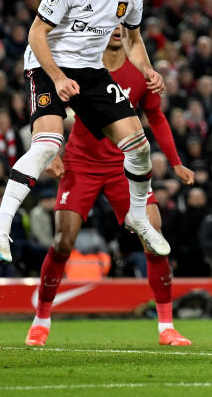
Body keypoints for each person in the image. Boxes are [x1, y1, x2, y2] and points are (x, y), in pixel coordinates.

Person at [0, 0, 169, 264]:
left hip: (89, 69)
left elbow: (133, 39)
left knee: (139, 146)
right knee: (48, 145)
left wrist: (147, 70)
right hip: (46, 62)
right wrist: (57, 77)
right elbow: (36, 34)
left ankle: (137, 216)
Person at [26, 28, 194, 347]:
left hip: (123, 166)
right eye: (110, 22)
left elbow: (156, 116)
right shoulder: (81, 64)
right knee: (63, 240)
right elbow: (49, 107)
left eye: (122, 23)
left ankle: (166, 327)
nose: (117, 29)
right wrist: (49, 151)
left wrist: (175, 162)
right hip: (81, 162)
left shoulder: (141, 72)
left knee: (154, 234)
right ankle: (41, 320)